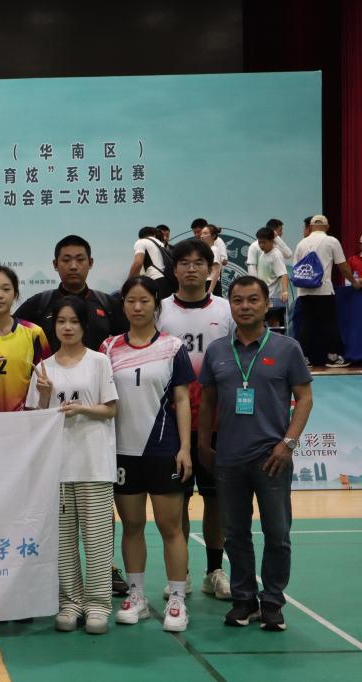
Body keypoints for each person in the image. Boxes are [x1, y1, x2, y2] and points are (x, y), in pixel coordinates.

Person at [198, 275, 314, 631]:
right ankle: (244, 599)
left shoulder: (287, 348)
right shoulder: (217, 351)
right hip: (228, 459)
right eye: (237, 300)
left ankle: (273, 601)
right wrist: (203, 445)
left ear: (266, 305)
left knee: (277, 533)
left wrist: (288, 444)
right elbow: (208, 402)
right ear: (230, 306)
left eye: (252, 300)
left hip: (272, 459)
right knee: (235, 534)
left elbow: (305, 398)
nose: (245, 306)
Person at [102, 276, 194, 633]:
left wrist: (184, 448)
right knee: (132, 526)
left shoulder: (173, 347)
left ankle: (177, 598)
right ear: (123, 305)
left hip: (163, 449)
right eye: (131, 301)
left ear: (156, 305)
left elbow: (182, 399)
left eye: (144, 301)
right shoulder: (109, 347)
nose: (137, 307)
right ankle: (136, 595)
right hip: (122, 452)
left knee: (171, 528)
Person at [26, 296, 118, 635]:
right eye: (61, 321)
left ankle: (98, 605)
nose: (67, 327)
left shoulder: (99, 362)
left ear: (84, 326)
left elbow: (110, 409)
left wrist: (80, 409)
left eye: (74, 322)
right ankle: (70, 603)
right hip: (58, 467)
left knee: (96, 539)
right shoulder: (44, 368)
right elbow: (36, 419)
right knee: (63, 541)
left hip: (94, 463)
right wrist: (45, 395)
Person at [158, 240, 234, 602]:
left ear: (210, 269)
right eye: (184, 263)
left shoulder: (225, 309)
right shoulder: (160, 310)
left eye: (198, 262)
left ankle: (214, 571)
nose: (191, 268)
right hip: (172, 423)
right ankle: (181, 573)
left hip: (218, 423)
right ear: (174, 270)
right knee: (177, 500)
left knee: (216, 500)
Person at [14, 235, 128, 354]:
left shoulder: (108, 304)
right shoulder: (39, 304)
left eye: (80, 259)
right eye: (66, 260)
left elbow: (130, 343)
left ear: (90, 263)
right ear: (55, 264)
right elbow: (9, 333)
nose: (73, 266)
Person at [0, 265, 48, 412]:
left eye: (6, 289)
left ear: (15, 294)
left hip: (24, 419)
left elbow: (45, 380)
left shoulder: (34, 333)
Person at [292, 215, 362, 367]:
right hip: (323, 290)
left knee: (306, 324)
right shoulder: (331, 241)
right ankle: (333, 357)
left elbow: (296, 268)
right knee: (329, 324)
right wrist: (354, 282)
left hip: (304, 291)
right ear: (327, 227)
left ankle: (303, 358)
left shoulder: (301, 243)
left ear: (310, 227)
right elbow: (343, 267)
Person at [247, 228, 291, 330]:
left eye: (264, 242)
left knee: (274, 322)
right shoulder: (263, 254)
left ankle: (275, 339)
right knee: (262, 323)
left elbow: (283, 274)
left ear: (272, 241)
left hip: (273, 297)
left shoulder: (276, 255)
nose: (261, 245)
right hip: (264, 295)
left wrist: (285, 291)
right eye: (259, 242)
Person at [128, 226, 174, 299]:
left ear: (140, 237)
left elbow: (138, 263)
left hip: (153, 281)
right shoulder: (160, 244)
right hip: (167, 282)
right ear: (154, 235)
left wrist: (128, 283)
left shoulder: (141, 242)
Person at [199, 225, 227, 297]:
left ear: (213, 236)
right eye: (201, 234)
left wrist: (210, 291)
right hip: (204, 283)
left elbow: (216, 272)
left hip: (211, 284)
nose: (202, 236)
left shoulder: (214, 250)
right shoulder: (205, 251)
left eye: (205, 233)